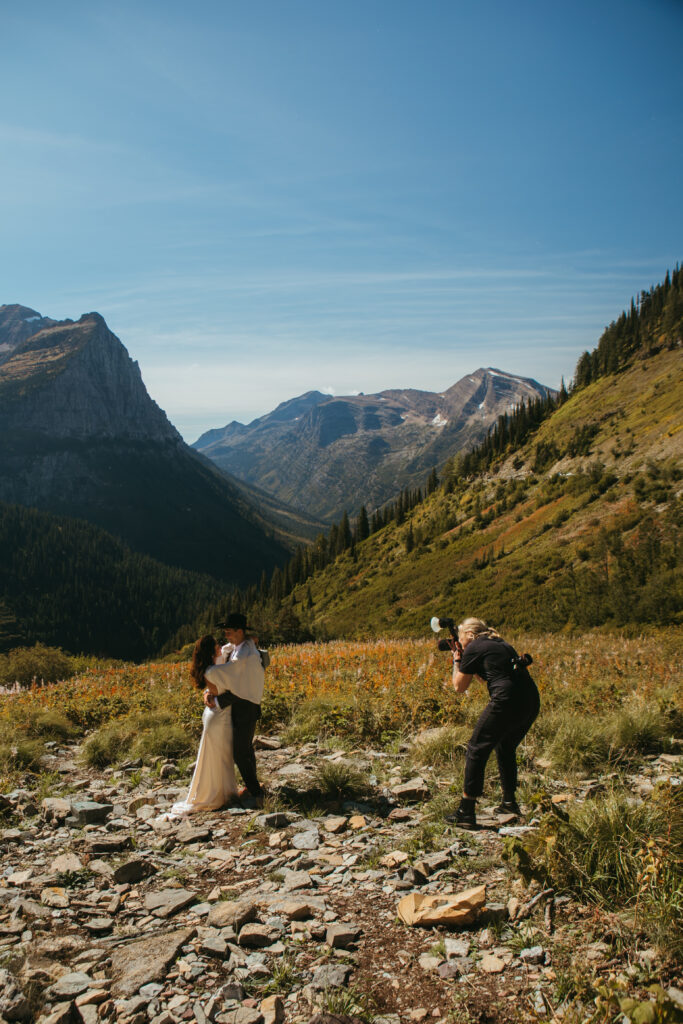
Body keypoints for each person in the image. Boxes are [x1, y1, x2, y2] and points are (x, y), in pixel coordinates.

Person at [446, 617, 540, 829]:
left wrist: (457, 659)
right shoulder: (499, 644)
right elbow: (488, 677)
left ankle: (466, 811)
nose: (460, 643)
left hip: (506, 701)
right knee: (505, 746)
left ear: (469, 635)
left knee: (476, 748)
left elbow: (459, 687)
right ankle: (509, 803)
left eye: (460, 639)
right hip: (530, 700)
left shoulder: (475, 646)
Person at [169, 634, 238, 816]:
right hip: (219, 716)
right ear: (212, 649)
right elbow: (233, 686)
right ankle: (218, 795)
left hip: (214, 714)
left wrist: (208, 694)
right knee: (218, 756)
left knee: (217, 755)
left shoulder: (214, 665)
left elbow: (229, 649)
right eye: (216, 644)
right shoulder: (215, 670)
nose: (220, 645)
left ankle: (222, 793)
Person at [204, 612, 266, 807]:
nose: (227, 636)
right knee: (245, 748)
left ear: (240, 631)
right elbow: (229, 651)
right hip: (244, 705)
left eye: (230, 632)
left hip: (245, 707)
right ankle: (253, 786)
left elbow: (235, 682)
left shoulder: (245, 657)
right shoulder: (241, 647)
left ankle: (256, 793)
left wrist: (207, 676)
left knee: (240, 751)